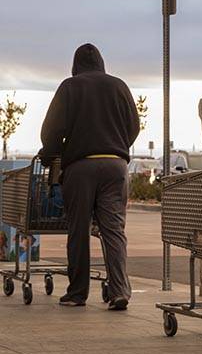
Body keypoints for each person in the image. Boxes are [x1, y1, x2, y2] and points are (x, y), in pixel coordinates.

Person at [39, 44, 139, 309]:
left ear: (76, 64)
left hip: (81, 167)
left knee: (79, 230)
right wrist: (117, 146)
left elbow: (51, 130)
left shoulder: (70, 87)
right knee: (114, 231)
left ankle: (77, 293)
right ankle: (119, 291)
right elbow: (134, 126)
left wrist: (50, 153)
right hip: (116, 165)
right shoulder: (119, 86)